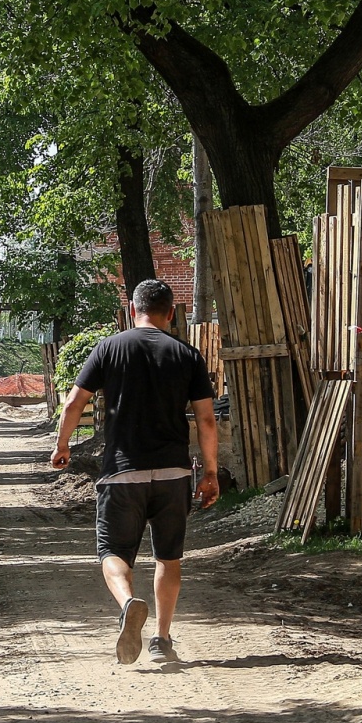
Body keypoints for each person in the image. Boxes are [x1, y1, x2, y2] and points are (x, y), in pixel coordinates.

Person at [50, 279, 218, 664]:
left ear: (131, 310)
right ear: (172, 314)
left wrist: (63, 445)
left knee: (113, 552)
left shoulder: (109, 348)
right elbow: (207, 420)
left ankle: (128, 604)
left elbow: (75, 401)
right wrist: (209, 472)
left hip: (123, 473)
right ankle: (161, 640)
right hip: (174, 473)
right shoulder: (188, 354)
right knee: (168, 557)